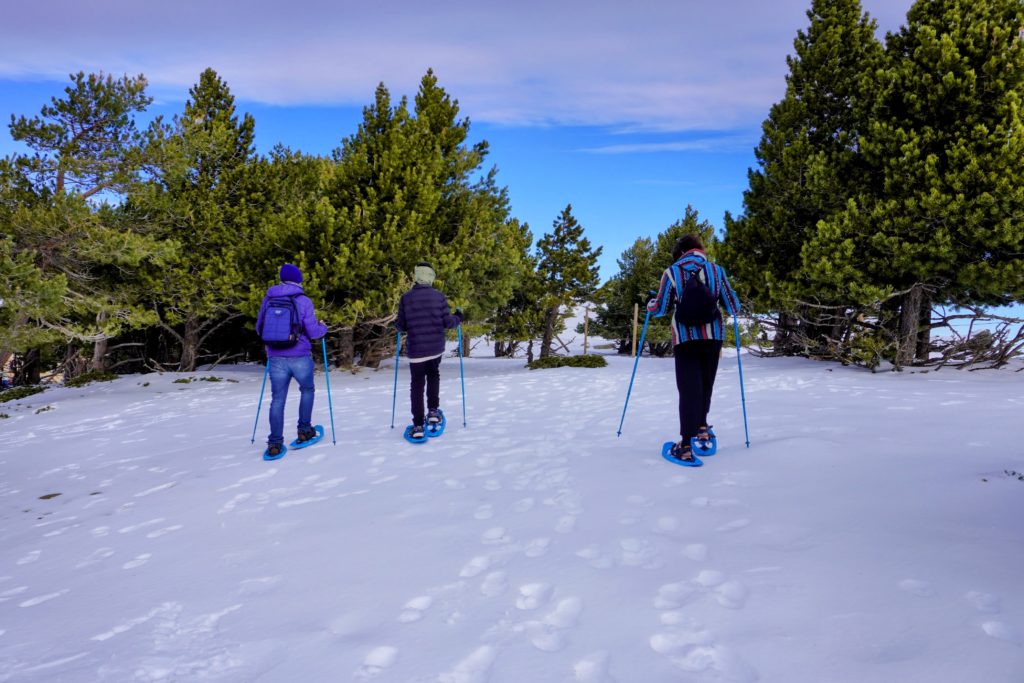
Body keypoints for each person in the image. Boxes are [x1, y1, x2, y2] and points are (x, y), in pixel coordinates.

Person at [647, 235, 740, 465]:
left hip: (685, 337)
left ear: (680, 253)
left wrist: (650, 304)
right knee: (706, 383)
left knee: (689, 387)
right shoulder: (716, 270)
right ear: (699, 249)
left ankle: (686, 446)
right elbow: (733, 306)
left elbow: (660, 308)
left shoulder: (672, 271)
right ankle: (702, 428)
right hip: (713, 336)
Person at [256, 263, 328, 458]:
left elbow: (259, 328)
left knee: (278, 399)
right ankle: (304, 431)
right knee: (307, 390)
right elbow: (313, 332)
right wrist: (324, 328)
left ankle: (275, 443)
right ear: (299, 279)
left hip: (276, 356)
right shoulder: (303, 300)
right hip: (300, 355)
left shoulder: (268, 298)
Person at [396, 262, 463, 440]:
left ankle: (418, 424)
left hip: (416, 350)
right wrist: (458, 316)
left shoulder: (406, 298)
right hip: (435, 348)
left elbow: (400, 326)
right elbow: (448, 322)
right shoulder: (438, 297)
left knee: (417, 384)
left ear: (417, 277)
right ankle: (433, 411)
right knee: (433, 375)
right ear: (431, 277)